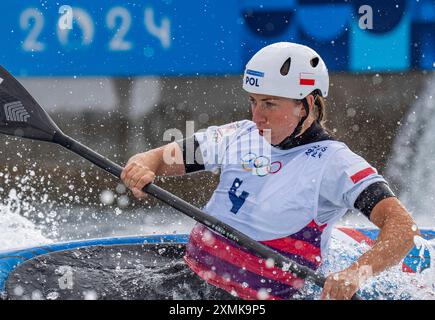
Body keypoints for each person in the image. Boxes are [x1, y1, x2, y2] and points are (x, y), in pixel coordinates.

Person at [121, 42, 419, 300]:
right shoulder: (240, 135)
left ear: (307, 105)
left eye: (269, 104)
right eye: (253, 101)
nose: (256, 115)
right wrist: (143, 165)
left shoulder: (336, 163)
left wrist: (357, 273)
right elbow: (159, 158)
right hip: (188, 284)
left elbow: (402, 227)